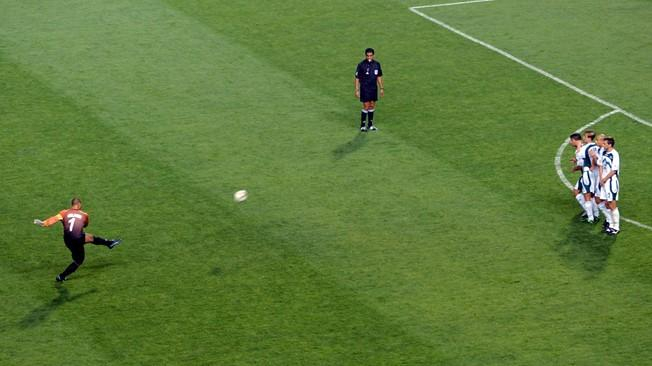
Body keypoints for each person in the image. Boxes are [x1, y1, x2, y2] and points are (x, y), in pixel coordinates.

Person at [34, 198, 121, 281]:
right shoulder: (84, 214)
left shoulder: (64, 212)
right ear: (79, 204)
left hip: (68, 240)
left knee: (90, 237)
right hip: (77, 239)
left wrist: (43, 223)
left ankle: (109, 243)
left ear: (72, 205)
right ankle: (61, 276)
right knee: (79, 260)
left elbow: (53, 219)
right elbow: (85, 225)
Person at [569, 132, 596, 223]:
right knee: (576, 192)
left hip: (588, 174)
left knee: (587, 195)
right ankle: (591, 213)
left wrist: (575, 167)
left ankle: (592, 217)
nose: (583, 138)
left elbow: (583, 163)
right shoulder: (590, 146)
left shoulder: (586, 148)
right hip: (588, 174)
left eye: (584, 136)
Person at [355, 48, 384, 132]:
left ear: (373, 55)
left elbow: (379, 76)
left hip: (373, 88)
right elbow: (357, 78)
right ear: (365, 55)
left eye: (370, 55)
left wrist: (381, 88)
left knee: (372, 105)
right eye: (367, 56)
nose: (369, 57)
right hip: (364, 88)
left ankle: (370, 125)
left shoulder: (377, 64)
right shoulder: (361, 65)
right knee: (366, 106)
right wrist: (357, 90)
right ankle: (363, 125)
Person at [599, 137, 621, 235]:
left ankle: (616, 227)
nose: (602, 145)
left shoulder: (614, 154)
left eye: (604, 144)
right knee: (606, 203)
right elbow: (600, 165)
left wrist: (604, 179)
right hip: (604, 181)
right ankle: (611, 224)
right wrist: (600, 178)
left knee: (612, 204)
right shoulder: (603, 152)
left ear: (610, 145)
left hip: (611, 182)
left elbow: (614, 170)